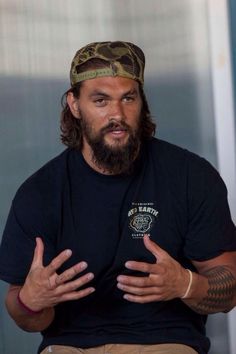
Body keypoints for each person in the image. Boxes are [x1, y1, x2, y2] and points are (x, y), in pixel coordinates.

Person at [0, 41, 235, 354]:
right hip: (71, 345)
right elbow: (26, 315)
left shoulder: (190, 176)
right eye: (101, 100)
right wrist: (31, 301)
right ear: (74, 104)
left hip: (166, 342)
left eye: (128, 98)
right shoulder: (39, 192)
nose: (118, 115)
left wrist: (187, 284)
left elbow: (230, 287)